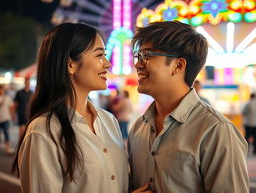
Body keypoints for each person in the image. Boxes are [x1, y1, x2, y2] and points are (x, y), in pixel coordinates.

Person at [13, 22, 150, 193]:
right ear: (70, 64)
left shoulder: (108, 121)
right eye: (99, 55)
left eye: (106, 55)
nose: (107, 64)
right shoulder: (44, 131)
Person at [128, 20, 249, 192]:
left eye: (147, 55)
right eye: (138, 56)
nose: (138, 64)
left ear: (178, 65)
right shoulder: (139, 128)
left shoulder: (216, 130)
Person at [0, 84, 14, 154]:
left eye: (2, 89)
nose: (1, 91)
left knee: (6, 134)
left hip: (5, 118)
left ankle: (7, 149)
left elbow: (11, 107)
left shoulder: (7, 97)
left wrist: (12, 115)